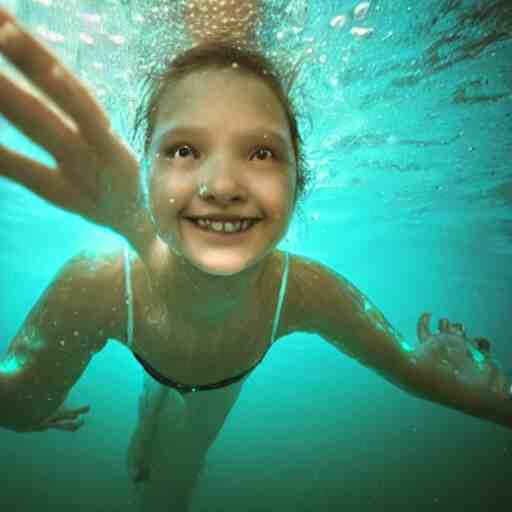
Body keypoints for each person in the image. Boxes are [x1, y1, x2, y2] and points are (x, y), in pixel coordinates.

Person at [0, 1, 510, 510]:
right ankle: (152, 412)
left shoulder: (306, 290)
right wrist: (27, 403)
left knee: (175, 474)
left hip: (223, 378)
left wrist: (470, 387)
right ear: (145, 175)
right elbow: (19, 408)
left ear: (299, 181)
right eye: (183, 150)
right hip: (164, 357)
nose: (222, 186)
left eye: (261, 152)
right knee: (155, 432)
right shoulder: (100, 283)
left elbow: (417, 375)